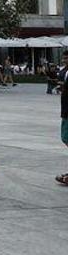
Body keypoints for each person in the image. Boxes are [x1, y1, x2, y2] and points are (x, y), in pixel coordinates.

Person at [57, 51, 68, 186]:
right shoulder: (65, 71)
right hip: (65, 110)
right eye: (64, 57)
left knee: (66, 137)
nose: (65, 60)